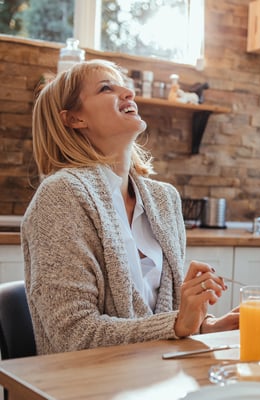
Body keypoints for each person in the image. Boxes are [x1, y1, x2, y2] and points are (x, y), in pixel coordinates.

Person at [23, 59, 238, 354]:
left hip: (154, 375)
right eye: (106, 88)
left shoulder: (164, 200)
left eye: (125, 85)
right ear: (74, 119)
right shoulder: (61, 196)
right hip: (85, 387)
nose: (129, 93)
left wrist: (205, 324)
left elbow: (164, 316)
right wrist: (177, 325)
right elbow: (72, 335)